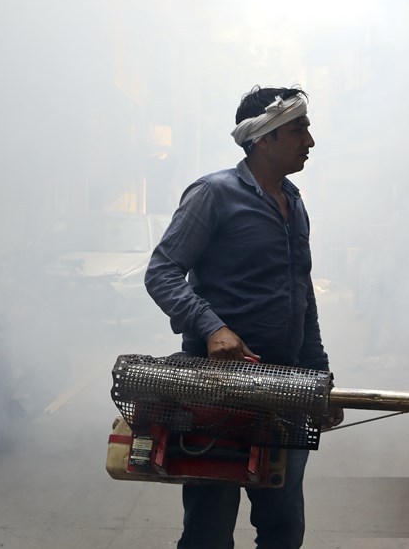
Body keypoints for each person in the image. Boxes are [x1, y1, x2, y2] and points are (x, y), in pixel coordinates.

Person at [144, 85, 342, 549]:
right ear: (264, 138)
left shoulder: (294, 203)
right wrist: (212, 327)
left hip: (285, 389)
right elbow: (162, 271)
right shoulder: (214, 194)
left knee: (283, 526)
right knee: (209, 530)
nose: (309, 141)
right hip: (216, 388)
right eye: (299, 130)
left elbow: (302, 299)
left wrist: (319, 382)